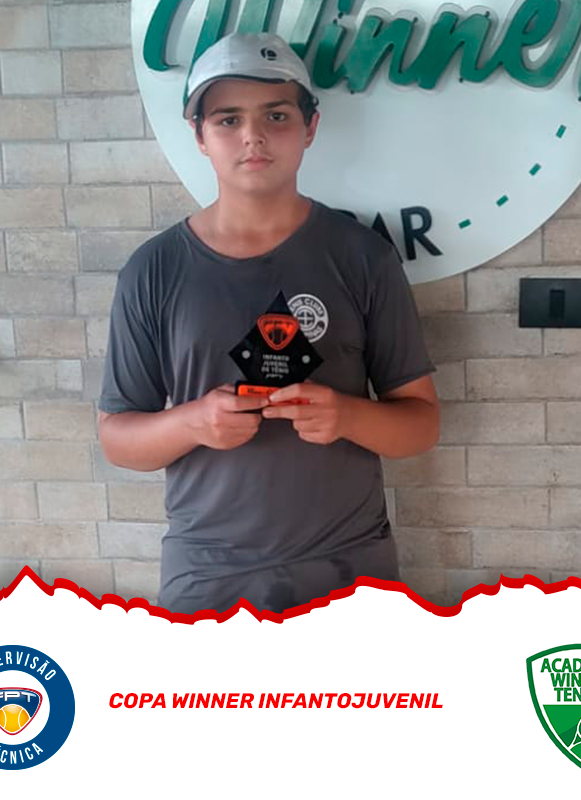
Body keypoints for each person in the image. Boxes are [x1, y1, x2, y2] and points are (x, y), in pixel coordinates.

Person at [98, 32, 439, 615]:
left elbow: (421, 426)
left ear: (310, 127)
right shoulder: (152, 271)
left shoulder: (363, 257)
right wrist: (194, 422)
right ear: (199, 136)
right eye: (228, 119)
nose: (252, 136)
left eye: (276, 115)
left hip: (350, 575)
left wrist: (346, 415)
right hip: (207, 581)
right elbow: (117, 439)